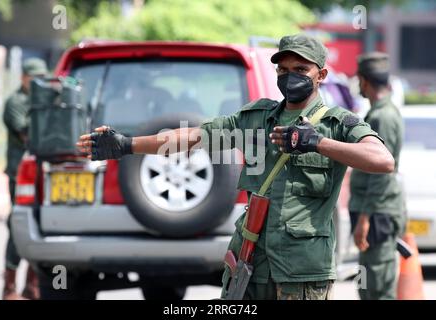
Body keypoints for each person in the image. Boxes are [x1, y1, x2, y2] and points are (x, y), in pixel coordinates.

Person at [77, 34, 395, 300]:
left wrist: (317, 143)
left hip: (300, 273)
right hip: (249, 261)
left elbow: (382, 160)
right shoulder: (255, 119)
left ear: (321, 75)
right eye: (283, 70)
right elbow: (193, 137)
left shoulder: (337, 123)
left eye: (300, 69)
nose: (290, 76)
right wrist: (128, 145)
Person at [349, 52, 406, 300]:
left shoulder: (383, 116)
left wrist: (365, 218)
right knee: (370, 283)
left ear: (364, 81)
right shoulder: (381, 112)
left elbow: (382, 172)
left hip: (376, 213)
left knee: (377, 287)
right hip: (377, 211)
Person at [2, 57, 47, 300]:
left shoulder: (44, 101)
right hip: (20, 173)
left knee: (40, 224)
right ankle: (9, 286)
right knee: (17, 225)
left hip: (43, 172)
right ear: (23, 78)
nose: (39, 82)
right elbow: (28, 134)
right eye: (34, 78)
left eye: (43, 77)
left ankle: (32, 284)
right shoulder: (15, 102)